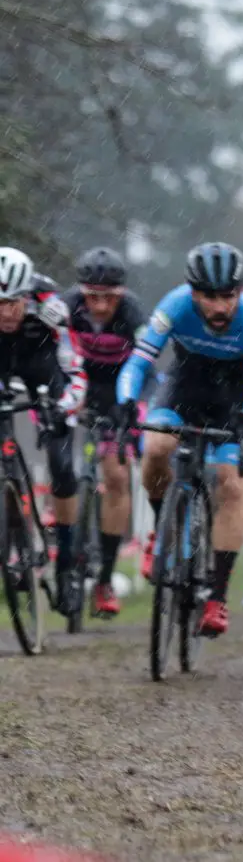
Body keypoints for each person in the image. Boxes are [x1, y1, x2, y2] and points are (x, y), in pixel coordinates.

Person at [116, 242, 243, 637]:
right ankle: (160, 530)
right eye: (209, 297)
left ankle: (217, 596)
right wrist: (125, 401)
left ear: (240, 292)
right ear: (192, 292)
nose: (220, 307)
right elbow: (138, 363)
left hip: (231, 402)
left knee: (230, 483)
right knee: (156, 449)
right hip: (183, 391)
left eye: (228, 296)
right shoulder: (174, 306)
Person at [0, 248, 87, 613]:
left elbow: (76, 375)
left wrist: (62, 407)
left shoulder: (52, 308)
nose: (7, 312)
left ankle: (67, 563)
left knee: (62, 466)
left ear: (28, 296)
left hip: (42, 366)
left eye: (14, 303)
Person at [61, 248, 145, 616]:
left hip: (117, 393)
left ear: (121, 294)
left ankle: (106, 579)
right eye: (92, 296)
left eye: (107, 297)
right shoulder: (66, 306)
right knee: (58, 456)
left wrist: (128, 406)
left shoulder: (133, 314)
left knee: (116, 476)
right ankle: (60, 513)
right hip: (76, 385)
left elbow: (145, 362)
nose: (98, 305)